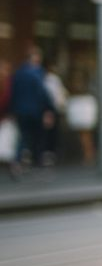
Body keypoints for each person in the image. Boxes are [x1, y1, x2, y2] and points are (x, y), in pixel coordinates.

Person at [9, 46, 55, 174]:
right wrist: (49, 108)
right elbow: (42, 93)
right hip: (36, 110)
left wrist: (12, 110)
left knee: (23, 137)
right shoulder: (37, 73)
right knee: (38, 137)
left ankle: (19, 161)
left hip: (20, 111)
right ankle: (37, 161)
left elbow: (13, 93)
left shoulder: (18, 73)